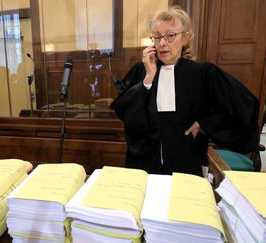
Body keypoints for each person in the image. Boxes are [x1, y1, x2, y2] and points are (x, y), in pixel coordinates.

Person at [110, 6, 259, 176]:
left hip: (186, 158)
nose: (162, 43)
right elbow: (126, 113)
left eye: (170, 35)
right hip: (145, 160)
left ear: (185, 38)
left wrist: (205, 124)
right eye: (157, 37)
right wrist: (148, 79)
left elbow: (243, 105)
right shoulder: (141, 70)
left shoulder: (203, 73)